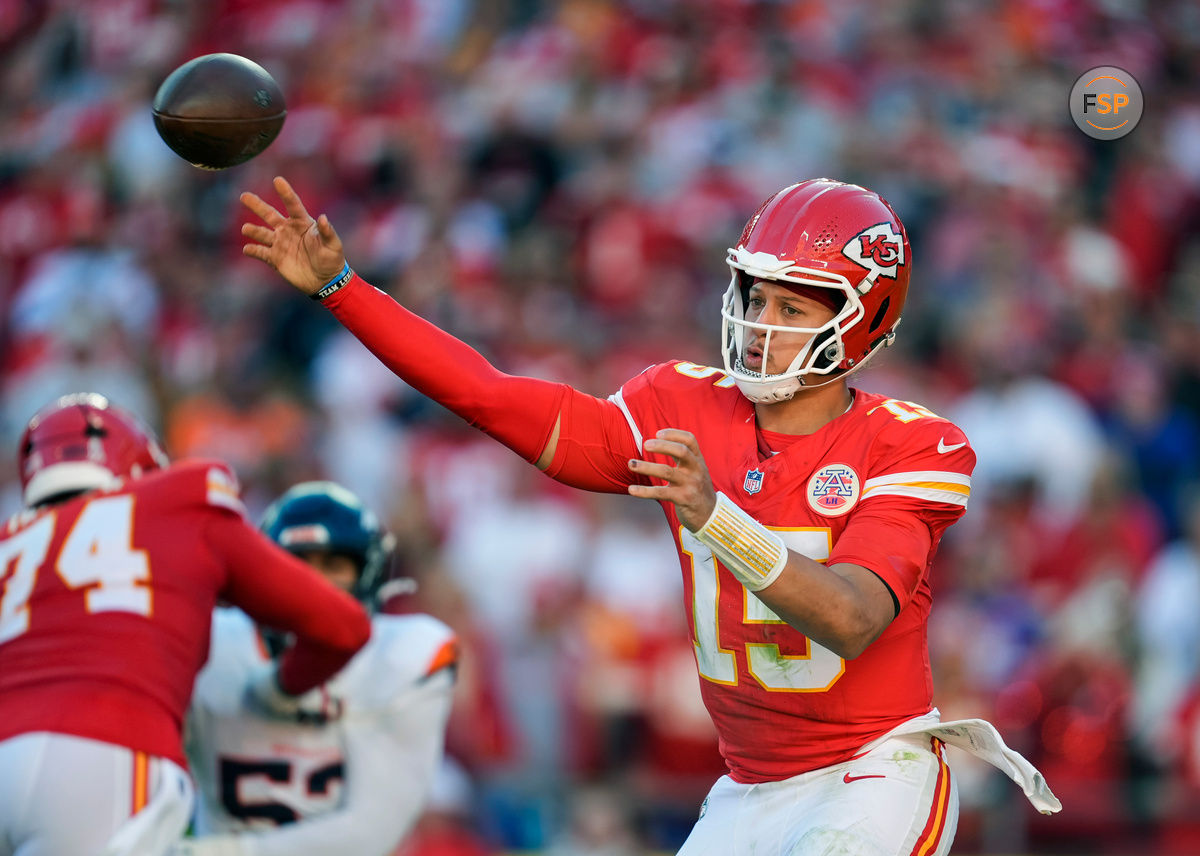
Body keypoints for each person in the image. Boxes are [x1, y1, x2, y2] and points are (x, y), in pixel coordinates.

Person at [241, 176, 1061, 855]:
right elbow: (491, 397)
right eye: (758, 295)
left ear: (865, 318)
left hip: (874, 773)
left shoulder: (911, 444)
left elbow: (850, 617)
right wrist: (343, 291)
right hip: (749, 788)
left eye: (796, 305)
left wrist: (716, 516)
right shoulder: (680, 402)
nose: (764, 325)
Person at [0, 393, 371, 856]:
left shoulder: (11, 542)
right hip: (107, 749)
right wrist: (280, 689)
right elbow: (343, 626)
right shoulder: (178, 502)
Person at [177, 481, 459, 856]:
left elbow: (371, 833)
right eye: (297, 563)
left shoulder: (403, 658)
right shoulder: (213, 644)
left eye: (333, 565)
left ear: (368, 576)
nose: (312, 583)